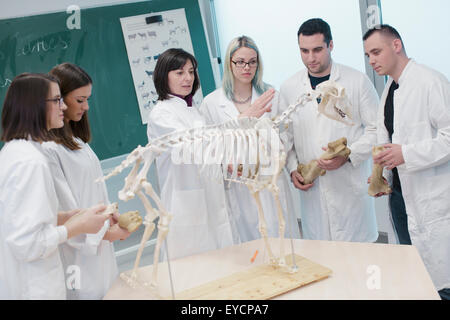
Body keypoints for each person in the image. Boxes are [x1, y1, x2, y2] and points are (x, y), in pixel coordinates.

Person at [0, 73, 108, 299]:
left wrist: (66, 216)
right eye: (57, 100)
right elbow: (28, 244)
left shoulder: (16, 152)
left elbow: (18, 220)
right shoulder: (31, 162)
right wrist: (75, 227)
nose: (63, 106)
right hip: (36, 288)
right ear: (35, 106)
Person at [363, 24, 450, 300]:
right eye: (367, 55)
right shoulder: (391, 88)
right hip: (400, 196)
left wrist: (406, 154)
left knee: (443, 280)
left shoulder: (430, 81)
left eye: (376, 52)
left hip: (431, 198)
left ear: (396, 45)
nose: (372, 60)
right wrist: (381, 173)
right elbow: (389, 140)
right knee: (418, 274)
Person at [279, 18, 379, 242]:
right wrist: (294, 169)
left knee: (358, 263)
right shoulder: (289, 88)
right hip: (314, 193)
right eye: (304, 51)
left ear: (330, 45)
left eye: (317, 50)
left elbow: (376, 129)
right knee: (324, 262)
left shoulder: (357, 81)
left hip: (349, 189)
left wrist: (349, 155)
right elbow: (286, 139)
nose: (310, 58)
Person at [200, 35, 301, 243]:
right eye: (240, 62)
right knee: (250, 247)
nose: (247, 67)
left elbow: (287, 135)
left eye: (252, 62)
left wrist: (271, 145)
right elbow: (209, 146)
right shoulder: (212, 103)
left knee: (281, 238)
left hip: (270, 179)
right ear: (229, 63)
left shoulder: (271, 95)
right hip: (239, 184)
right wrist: (225, 162)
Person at [42, 63, 130, 300]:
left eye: (87, 99)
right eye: (79, 100)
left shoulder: (77, 142)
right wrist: (106, 233)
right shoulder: (49, 150)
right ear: (59, 99)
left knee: (108, 292)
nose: (86, 107)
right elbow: (66, 211)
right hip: (78, 252)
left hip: (99, 242)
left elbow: (94, 188)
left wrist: (110, 216)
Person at [147, 48, 234, 259]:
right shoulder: (161, 114)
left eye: (191, 71)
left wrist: (223, 162)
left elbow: (208, 149)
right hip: (185, 205)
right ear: (163, 76)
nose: (187, 78)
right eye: (179, 73)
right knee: (193, 274)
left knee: (220, 265)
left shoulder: (193, 109)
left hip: (210, 199)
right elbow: (192, 147)